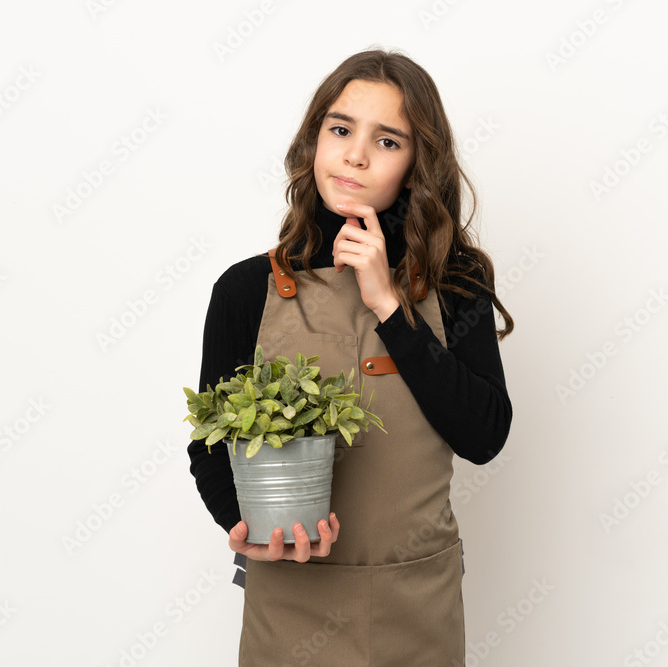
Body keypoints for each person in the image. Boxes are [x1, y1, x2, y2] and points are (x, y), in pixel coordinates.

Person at [186, 46, 514, 666]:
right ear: (314, 142)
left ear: (418, 165)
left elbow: (484, 435)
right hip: (289, 605)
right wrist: (245, 524)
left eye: (388, 141)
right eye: (341, 130)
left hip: (417, 606)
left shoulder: (456, 284)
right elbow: (209, 445)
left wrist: (390, 306)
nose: (356, 155)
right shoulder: (244, 289)